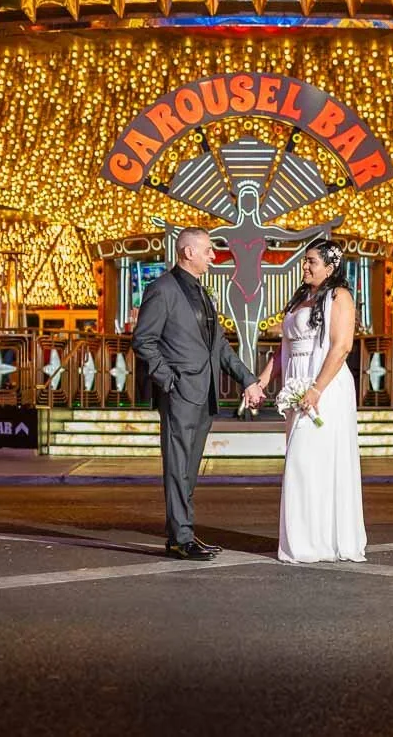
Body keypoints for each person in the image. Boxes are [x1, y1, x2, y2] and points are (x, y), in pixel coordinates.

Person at [132, 227, 259, 561]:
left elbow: (218, 346)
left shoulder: (203, 292)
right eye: (207, 251)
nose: (213, 256)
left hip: (204, 394)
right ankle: (181, 537)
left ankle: (182, 533)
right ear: (188, 252)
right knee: (177, 465)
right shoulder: (162, 289)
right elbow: (143, 340)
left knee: (189, 467)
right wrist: (168, 379)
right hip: (179, 392)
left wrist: (247, 379)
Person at [242, 239, 367, 563]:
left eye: (311, 261)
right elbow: (285, 347)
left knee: (307, 461)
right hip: (297, 385)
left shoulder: (340, 297)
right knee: (304, 463)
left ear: (330, 266)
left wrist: (316, 389)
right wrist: (264, 380)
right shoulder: (301, 298)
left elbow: (341, 347)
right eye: (305, 261)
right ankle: (307, 538)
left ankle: (316, 541)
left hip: (325, 387)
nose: (305, 267)